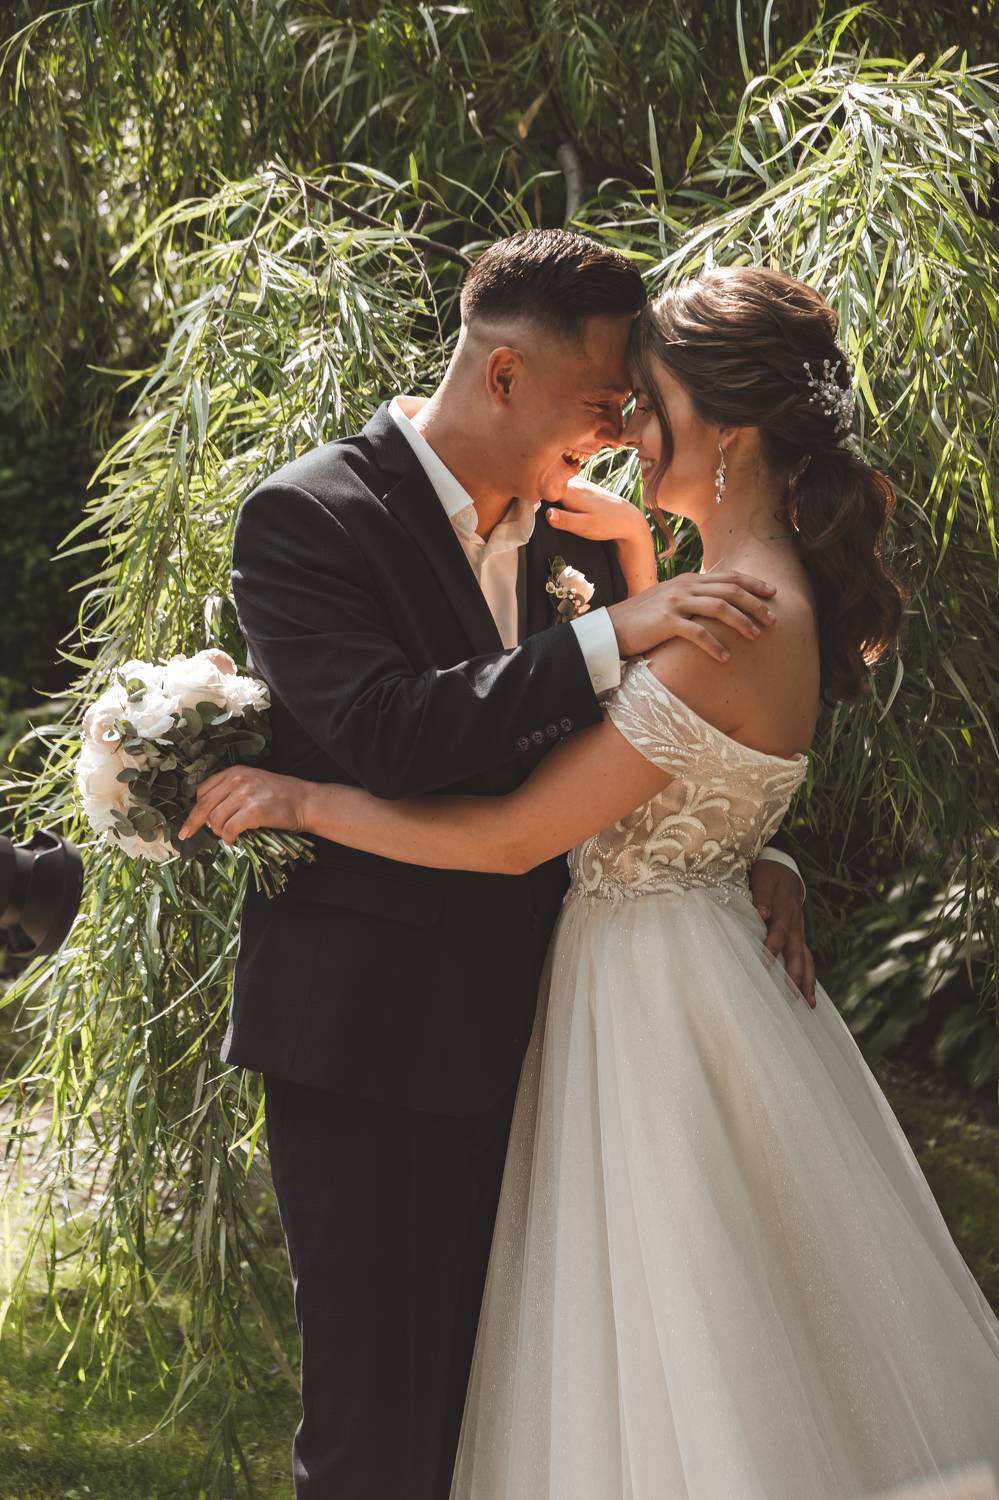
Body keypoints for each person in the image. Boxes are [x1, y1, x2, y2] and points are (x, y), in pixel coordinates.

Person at [185, 265, 999, 1498]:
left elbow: (604, 787)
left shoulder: (619, 547)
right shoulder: (316, 516)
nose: (622, 429)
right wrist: (717, 815)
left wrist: (745, 851)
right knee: (385, 1432)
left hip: (584, 1030)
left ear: (728, 429)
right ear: (508, 372)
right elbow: (401, 732)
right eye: (609, 399)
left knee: (610, 1393)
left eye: (643, 403)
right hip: (383, 1044)